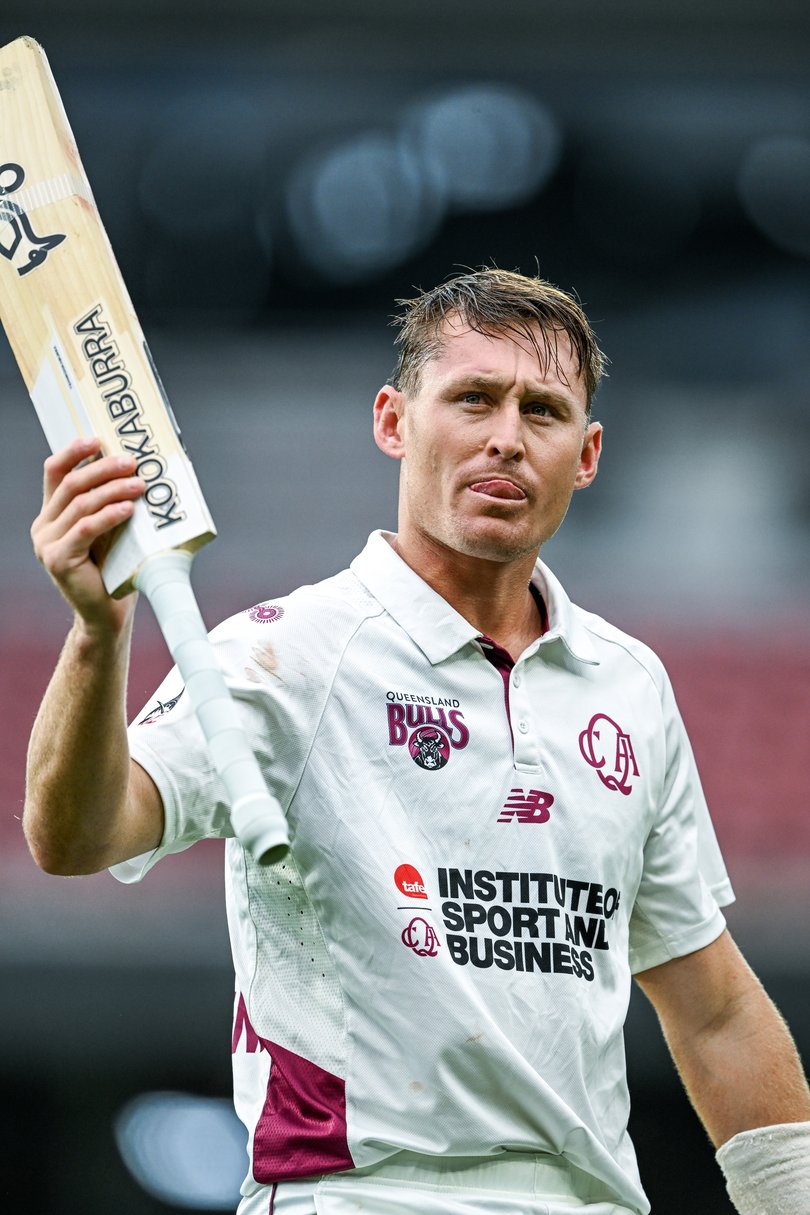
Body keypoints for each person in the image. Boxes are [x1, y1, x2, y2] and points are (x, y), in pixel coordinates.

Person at [24, 268, 810, 1215]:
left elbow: (714, 1008)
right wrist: (97, 633)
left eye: (545, 410)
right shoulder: (284, 654)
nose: (507, 438)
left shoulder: (628, 683)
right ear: (394, 420)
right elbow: (75, 837)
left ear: (589, 452)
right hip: (363, 1194)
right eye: (473, 398)